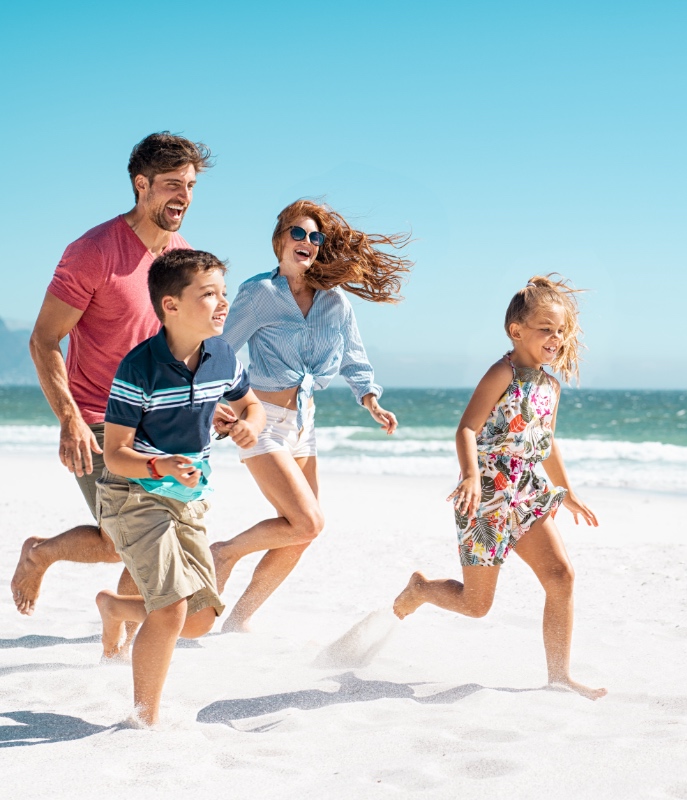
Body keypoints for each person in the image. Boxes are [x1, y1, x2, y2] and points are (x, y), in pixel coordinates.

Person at [12, 132, 213, 620]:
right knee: (129, 539)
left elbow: (176, 341)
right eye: (171, 184)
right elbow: (43, 340)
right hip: (101, 421)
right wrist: (70, 420)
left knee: (141, 535)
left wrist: (205, 395)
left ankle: (117, 630)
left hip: (159, 420)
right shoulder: (93, 251)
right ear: (141, 185)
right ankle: (40, 555)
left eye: (189, 185)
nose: (182, 196)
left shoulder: (180, 255)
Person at [392, 275, 606, 700]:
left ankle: (559, 676)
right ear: (517, 331)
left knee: (561, 576)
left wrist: (569, 490)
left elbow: (544, 444)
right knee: (477, 606)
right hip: (486, 494)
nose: (555, 337)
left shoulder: (550, 386)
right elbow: (467, 428)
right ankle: (421, 590)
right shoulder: (501, 372)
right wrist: (470, 475)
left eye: (560, 331)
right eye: (546, 328)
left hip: (526, 490)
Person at [210, 199, 410, 632]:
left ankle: (239, 620)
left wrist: (370, 400)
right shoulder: (259, 294)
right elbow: (219, 349)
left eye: (314, 237)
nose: (306, 242)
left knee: (304, 532)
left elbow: (355, 359)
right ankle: (223, 552)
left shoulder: (334, 302)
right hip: (260, 419)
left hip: (304, 425)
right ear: (280, 240)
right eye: (297, 234)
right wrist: (212, 402)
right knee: (306, 520)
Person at [94, 249, 264, 726]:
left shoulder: (223, 355)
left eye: (223, 293)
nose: (222, 303)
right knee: (170, 609)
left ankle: (114, 607)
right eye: (208, 294)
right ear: (170, 306)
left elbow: (252, 406)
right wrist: (161, 464)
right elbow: (115, 453)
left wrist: (250, 423)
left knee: (200, 618)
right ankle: (143, 720)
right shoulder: (138, 368)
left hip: (188, 496)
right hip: (134, 492)